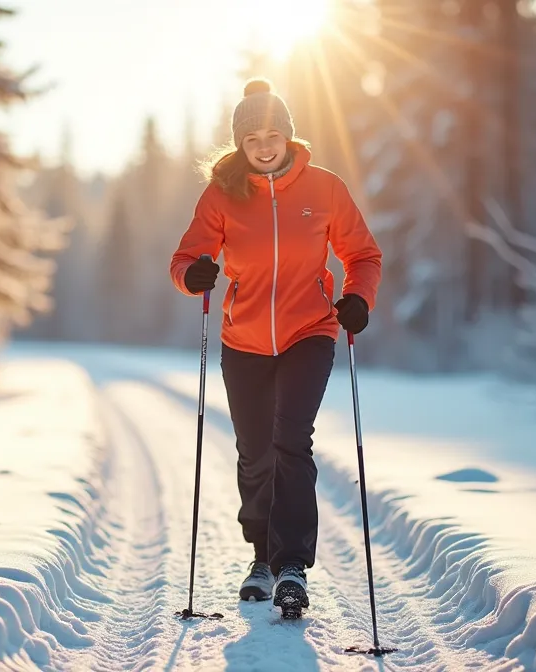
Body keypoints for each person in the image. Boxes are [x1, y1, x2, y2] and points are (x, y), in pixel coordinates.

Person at [168, 78, 382, 612]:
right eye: (251, 138)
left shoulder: (325, 189)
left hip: (309, 331)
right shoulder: (222, 193)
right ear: (240, 144)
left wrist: (358, 298)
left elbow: (364, 256)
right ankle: (260, 557)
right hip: (243, 340)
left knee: (292, 441)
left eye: (272, 134)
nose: (263, 146)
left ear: (288, 135)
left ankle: (292, 566)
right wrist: (192, 275)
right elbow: (184, 259)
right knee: (255, 452)